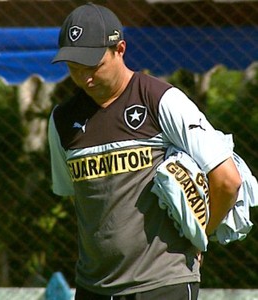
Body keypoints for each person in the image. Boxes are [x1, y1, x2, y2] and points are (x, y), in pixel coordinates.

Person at [48, 3, 242, 300]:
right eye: (74, 69)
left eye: (93, 67)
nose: (85, 78)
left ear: (120, 49)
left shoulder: (161, 100)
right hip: (93, 287)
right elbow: (79, 198)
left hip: (163, 284)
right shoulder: (62, 120)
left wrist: (199, 238)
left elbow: (227, 180)